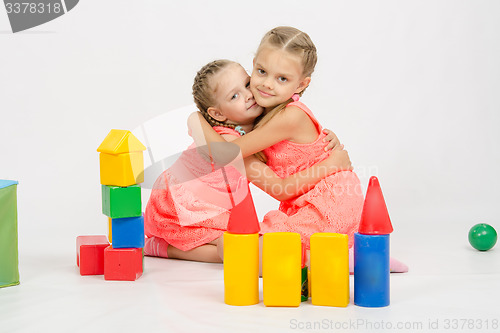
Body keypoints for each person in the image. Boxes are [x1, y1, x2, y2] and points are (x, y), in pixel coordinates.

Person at [190, 27, 408, 273]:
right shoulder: (266, 110)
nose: (267, 85)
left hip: (330, 203)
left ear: (301, 84)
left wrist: (196, 121)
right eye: (262, 72)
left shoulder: (289, 116)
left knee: (256, 255)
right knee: (245, 245)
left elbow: (225, 153)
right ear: (253, 66)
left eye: (282, 79)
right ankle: (340, 256)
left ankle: (356, 261)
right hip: (310, 202)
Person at [144, 59, 352, 263]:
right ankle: (162, 248)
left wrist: (324, 137)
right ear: (218, 114)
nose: (247, 96)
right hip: (182, 203)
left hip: (201, 200)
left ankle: (165, 244)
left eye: (246, 84)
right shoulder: (230, 143)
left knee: (239, 240)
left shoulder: (253, 128)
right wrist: (332, 164)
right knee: (238, 246)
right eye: (234, 96)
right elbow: (278, 187)